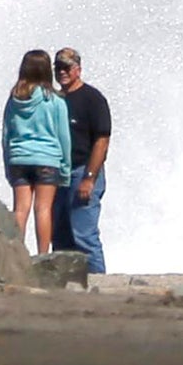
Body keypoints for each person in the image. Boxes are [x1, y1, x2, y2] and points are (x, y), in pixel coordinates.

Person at [0, 49, 71, 255]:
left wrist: (8, 163)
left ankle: (16, 254)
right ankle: (43, 255)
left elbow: (6, 135)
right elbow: (63, 137)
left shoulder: (14, 100)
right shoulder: (55, 101)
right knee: (43, 209)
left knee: (20, 209)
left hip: (19, 158)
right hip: (47, 159)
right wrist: (65, 167)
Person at [53, 48, 113, 274]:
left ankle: (98, 282)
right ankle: (66, 287)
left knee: (84, 234)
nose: (62, 72)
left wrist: (89, 177)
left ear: (78, 69)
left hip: (83, 171)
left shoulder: (92, 99)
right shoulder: (55, 99)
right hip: (58, 174)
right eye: (58, 68)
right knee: (61, 235)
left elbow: (102, 140)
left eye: (67, 67)